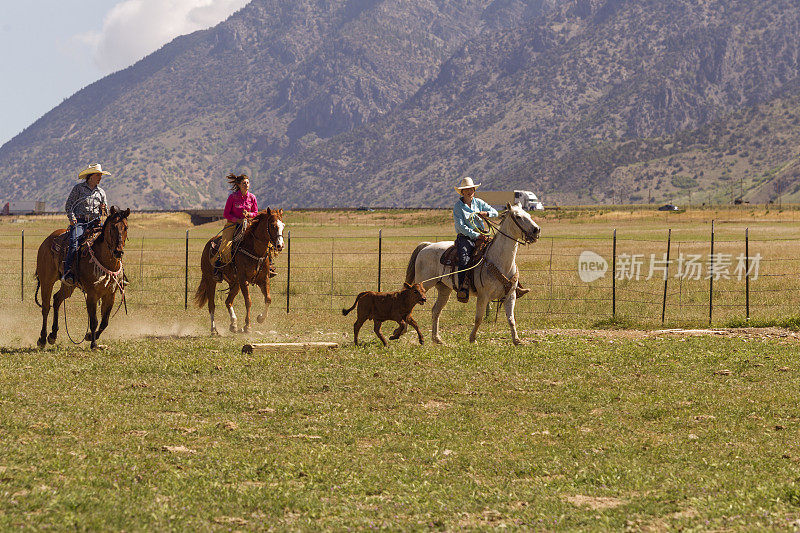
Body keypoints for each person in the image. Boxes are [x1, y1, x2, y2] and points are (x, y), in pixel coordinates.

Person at [62, 163, 110, 285]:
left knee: (112, 241)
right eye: (98, 175)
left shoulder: (101, 192)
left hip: (96, 223)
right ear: (91, 176)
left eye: (100, 175)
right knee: (74, 242)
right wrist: (72, 218)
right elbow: (69, 205)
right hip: (81, 222)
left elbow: (107, 212)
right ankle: (68, 271)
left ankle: (117, 273)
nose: (100, 177)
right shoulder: (78, 189)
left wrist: (104, 209)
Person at [453, 177, 497, 302]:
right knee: (464, 260)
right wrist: (477, 236)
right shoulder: (458, 207)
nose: (469, 191)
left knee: (498, 252)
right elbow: (461, 227)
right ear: (462, 192)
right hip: (465, 237)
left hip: (481, 234)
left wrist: (486, 214)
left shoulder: (479, 203)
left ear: (474, 190)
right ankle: (462, 288)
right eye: (466, 189)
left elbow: (495, 212)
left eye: (471, 189)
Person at [211, 173, 258, 281]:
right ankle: (218, 269)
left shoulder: (252, 197)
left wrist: (249, 215)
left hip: (248, 224)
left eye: (247, 183)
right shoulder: (232, 197)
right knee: (225, 245)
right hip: (233, 225)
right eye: (244, 183)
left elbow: (255, 212)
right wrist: (237, 220)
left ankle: (268, 265)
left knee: (263, 240)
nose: (246, 185)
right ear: (239, 185)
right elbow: (226, 214)